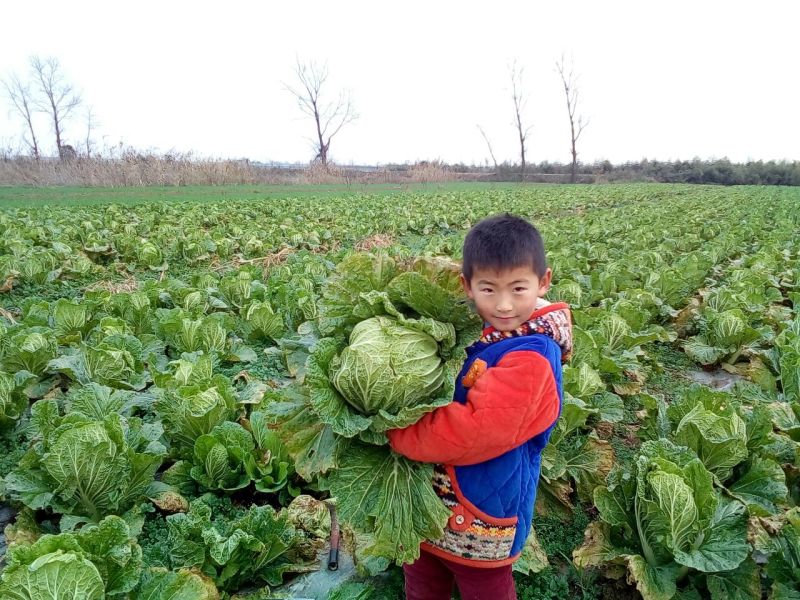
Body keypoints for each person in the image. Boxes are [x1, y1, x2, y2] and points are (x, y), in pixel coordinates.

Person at [387, 213, 573, 600]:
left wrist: (397, 433)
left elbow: (478, 430)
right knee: (421, 583)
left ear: (543, 282)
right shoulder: (477, 333)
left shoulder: (535, 354)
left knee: (485, 591)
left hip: (484, 519)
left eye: (518, 289)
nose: (504, 305)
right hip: (427, 502)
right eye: (488, 290)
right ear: (466, 286)